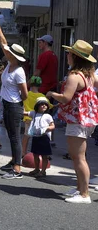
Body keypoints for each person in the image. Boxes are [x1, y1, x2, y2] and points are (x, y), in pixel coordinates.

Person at [47, 40, 98, 203]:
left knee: (78, 157)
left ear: (76, 57)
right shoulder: (90, 75)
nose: (67, 56)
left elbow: (66, 98)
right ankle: (79, 188)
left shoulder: (74, 75)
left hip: (77, 120)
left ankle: (84, 194)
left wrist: (52, 94)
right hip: (86, 119)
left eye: (70, 53)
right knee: (78, 156)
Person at [0, 14, 28, 180]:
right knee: (10, 134)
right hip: (8, 104)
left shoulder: (19, 71)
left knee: (14, 136)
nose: (6, 52)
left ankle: (17, 169)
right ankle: (14, 160)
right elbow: (3, 43)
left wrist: (21, 107)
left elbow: (25, 93)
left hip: (14, 105)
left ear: (14, 56)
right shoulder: (9, 64)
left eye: (9, 52)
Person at [25, 96, 54, 178]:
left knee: (45, 155)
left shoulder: (48, 116)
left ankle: (43, 171)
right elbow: (26, 113)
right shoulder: (34, 113)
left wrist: (46, 129)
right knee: (35, 154)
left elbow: (52, 126)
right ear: (37, 106)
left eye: (45, 104)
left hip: (44, 137)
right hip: (36, 136)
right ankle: (37, 168)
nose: (44, 106)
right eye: (41, 104)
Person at [22, 76, 49, 155]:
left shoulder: (26, 94)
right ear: (40, 85)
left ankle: (23, 152)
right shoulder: (42, 96)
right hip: (38, 119)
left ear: (30, 84)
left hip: (27, 118)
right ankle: (40, 154)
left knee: (26, 136)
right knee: (39, 136)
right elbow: (49, 105)